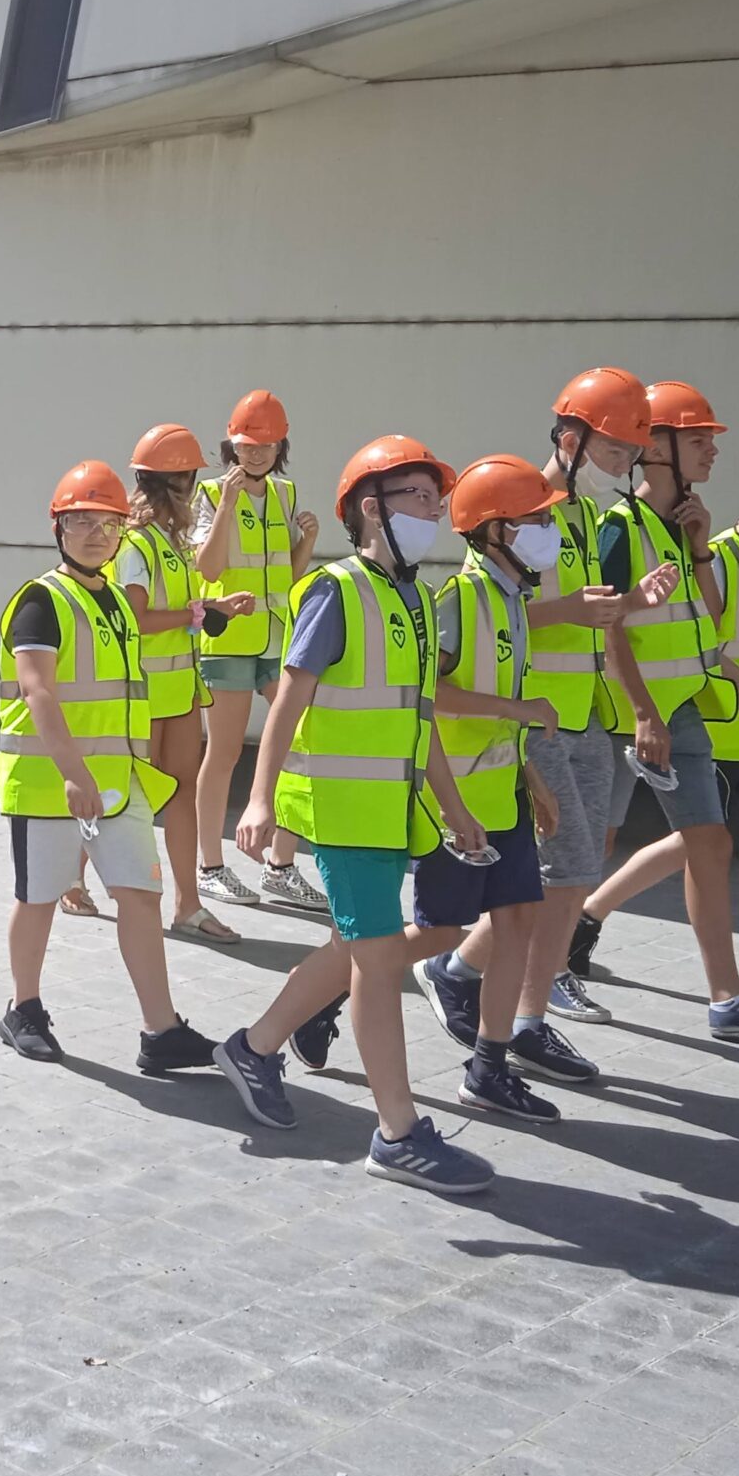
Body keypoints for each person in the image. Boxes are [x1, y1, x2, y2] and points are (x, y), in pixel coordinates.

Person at [214, 435, 497, 1196]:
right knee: (375, 961)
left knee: (353, 949)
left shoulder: (414, 600)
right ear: (372, 508)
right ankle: (399, 1134)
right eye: (419, 498)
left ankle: (253, 1048)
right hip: (343, 814)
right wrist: (259, 798)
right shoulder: (336, 591)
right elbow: (289, 700)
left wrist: (455, 806)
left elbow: (420, 718)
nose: (434, 511)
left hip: (390, 815)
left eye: (437, 498)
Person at [409, 369, 676, 1080]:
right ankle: (513, 1010)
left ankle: (475, 984)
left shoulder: (580, 517)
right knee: (559, 873)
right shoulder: (516, 512)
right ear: (570, 438)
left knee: (573, 871)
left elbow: (590, 614)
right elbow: (498, 610)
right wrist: (572, 616)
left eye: (632, 452)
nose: (625, 465)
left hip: (579, 713)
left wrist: (632, 602)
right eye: (615, 450)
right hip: (534, 721)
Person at [571, 437, 739, 1014]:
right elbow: (707, 642)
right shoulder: (716, 550)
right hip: (710, 718)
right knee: (691, 842)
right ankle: (584, 918)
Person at [0, 461, 219, 1074]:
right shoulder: (40, 600)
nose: (96, 534)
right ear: (58, 528)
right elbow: (38, 691)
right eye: (82, 522)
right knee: (38, 899)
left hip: (119, 784)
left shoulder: (117, 601)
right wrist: (74, 773)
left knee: (141, 896)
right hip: (50, 785)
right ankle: (23, 1009)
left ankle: (161, 1030)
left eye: (108, 523)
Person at [405, 456, 569, 1125]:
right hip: (459, 806)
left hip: (504, 798)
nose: (549, 531)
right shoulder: (460, 599)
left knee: (518, 921)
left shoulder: (511, 600)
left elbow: (500, 711)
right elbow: (429, 696)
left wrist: (532, 778)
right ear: (496, 531)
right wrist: (518, 712)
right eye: (536, 520)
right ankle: (331, 989)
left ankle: (488, 1070)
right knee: (438, 932)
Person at [189, 389, 328, 916]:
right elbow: (208, 568)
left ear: (280, 447)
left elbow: (287, 578)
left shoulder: (286, 494)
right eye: (248, 444)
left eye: (266, 445)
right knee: (223, 753)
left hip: (277, 638)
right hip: (227, 639)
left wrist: (307, 543)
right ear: (232, 444)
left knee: (302, 741)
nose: (256, 454)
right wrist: (226, 506)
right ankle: (210, 867)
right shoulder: (209, 493)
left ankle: (280, 865)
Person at [116, 425, 236, 943]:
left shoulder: (174, 542)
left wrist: (212, 608)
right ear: (179, 483)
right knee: (130, 797)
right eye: (191, 478)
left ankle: (188, 905)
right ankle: (78, 878)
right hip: (143, 696)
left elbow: (177, 611)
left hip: (181, 691)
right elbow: (138, 619)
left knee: (179, 793)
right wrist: (194, 614)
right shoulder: (135, 544)